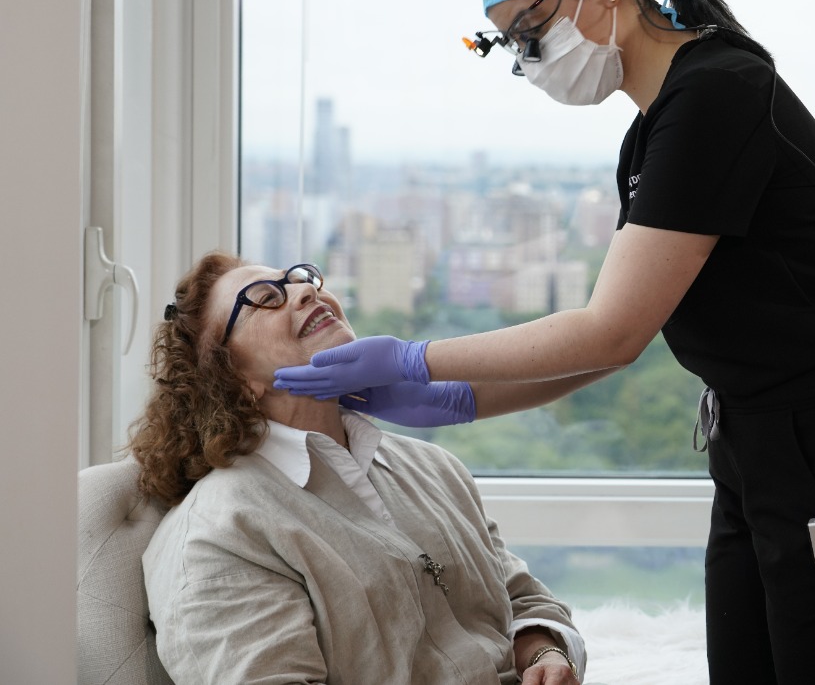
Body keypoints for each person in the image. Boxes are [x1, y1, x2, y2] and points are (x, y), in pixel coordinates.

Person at [274, 0, 815, 684]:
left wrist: (414, 359)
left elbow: (611, 331)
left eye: (530, 32)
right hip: (762, 448)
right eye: (508, 45)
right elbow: (619, 337)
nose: (528, 59)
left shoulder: (719, 92)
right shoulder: (651, 133)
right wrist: (462, 399)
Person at [129, 252, 592, 685]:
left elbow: (524, 599)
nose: (306, 292)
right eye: (266, 299)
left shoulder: (431, 466)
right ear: (232, 377)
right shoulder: (221, 532)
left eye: (301, 279)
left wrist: (544, 654)